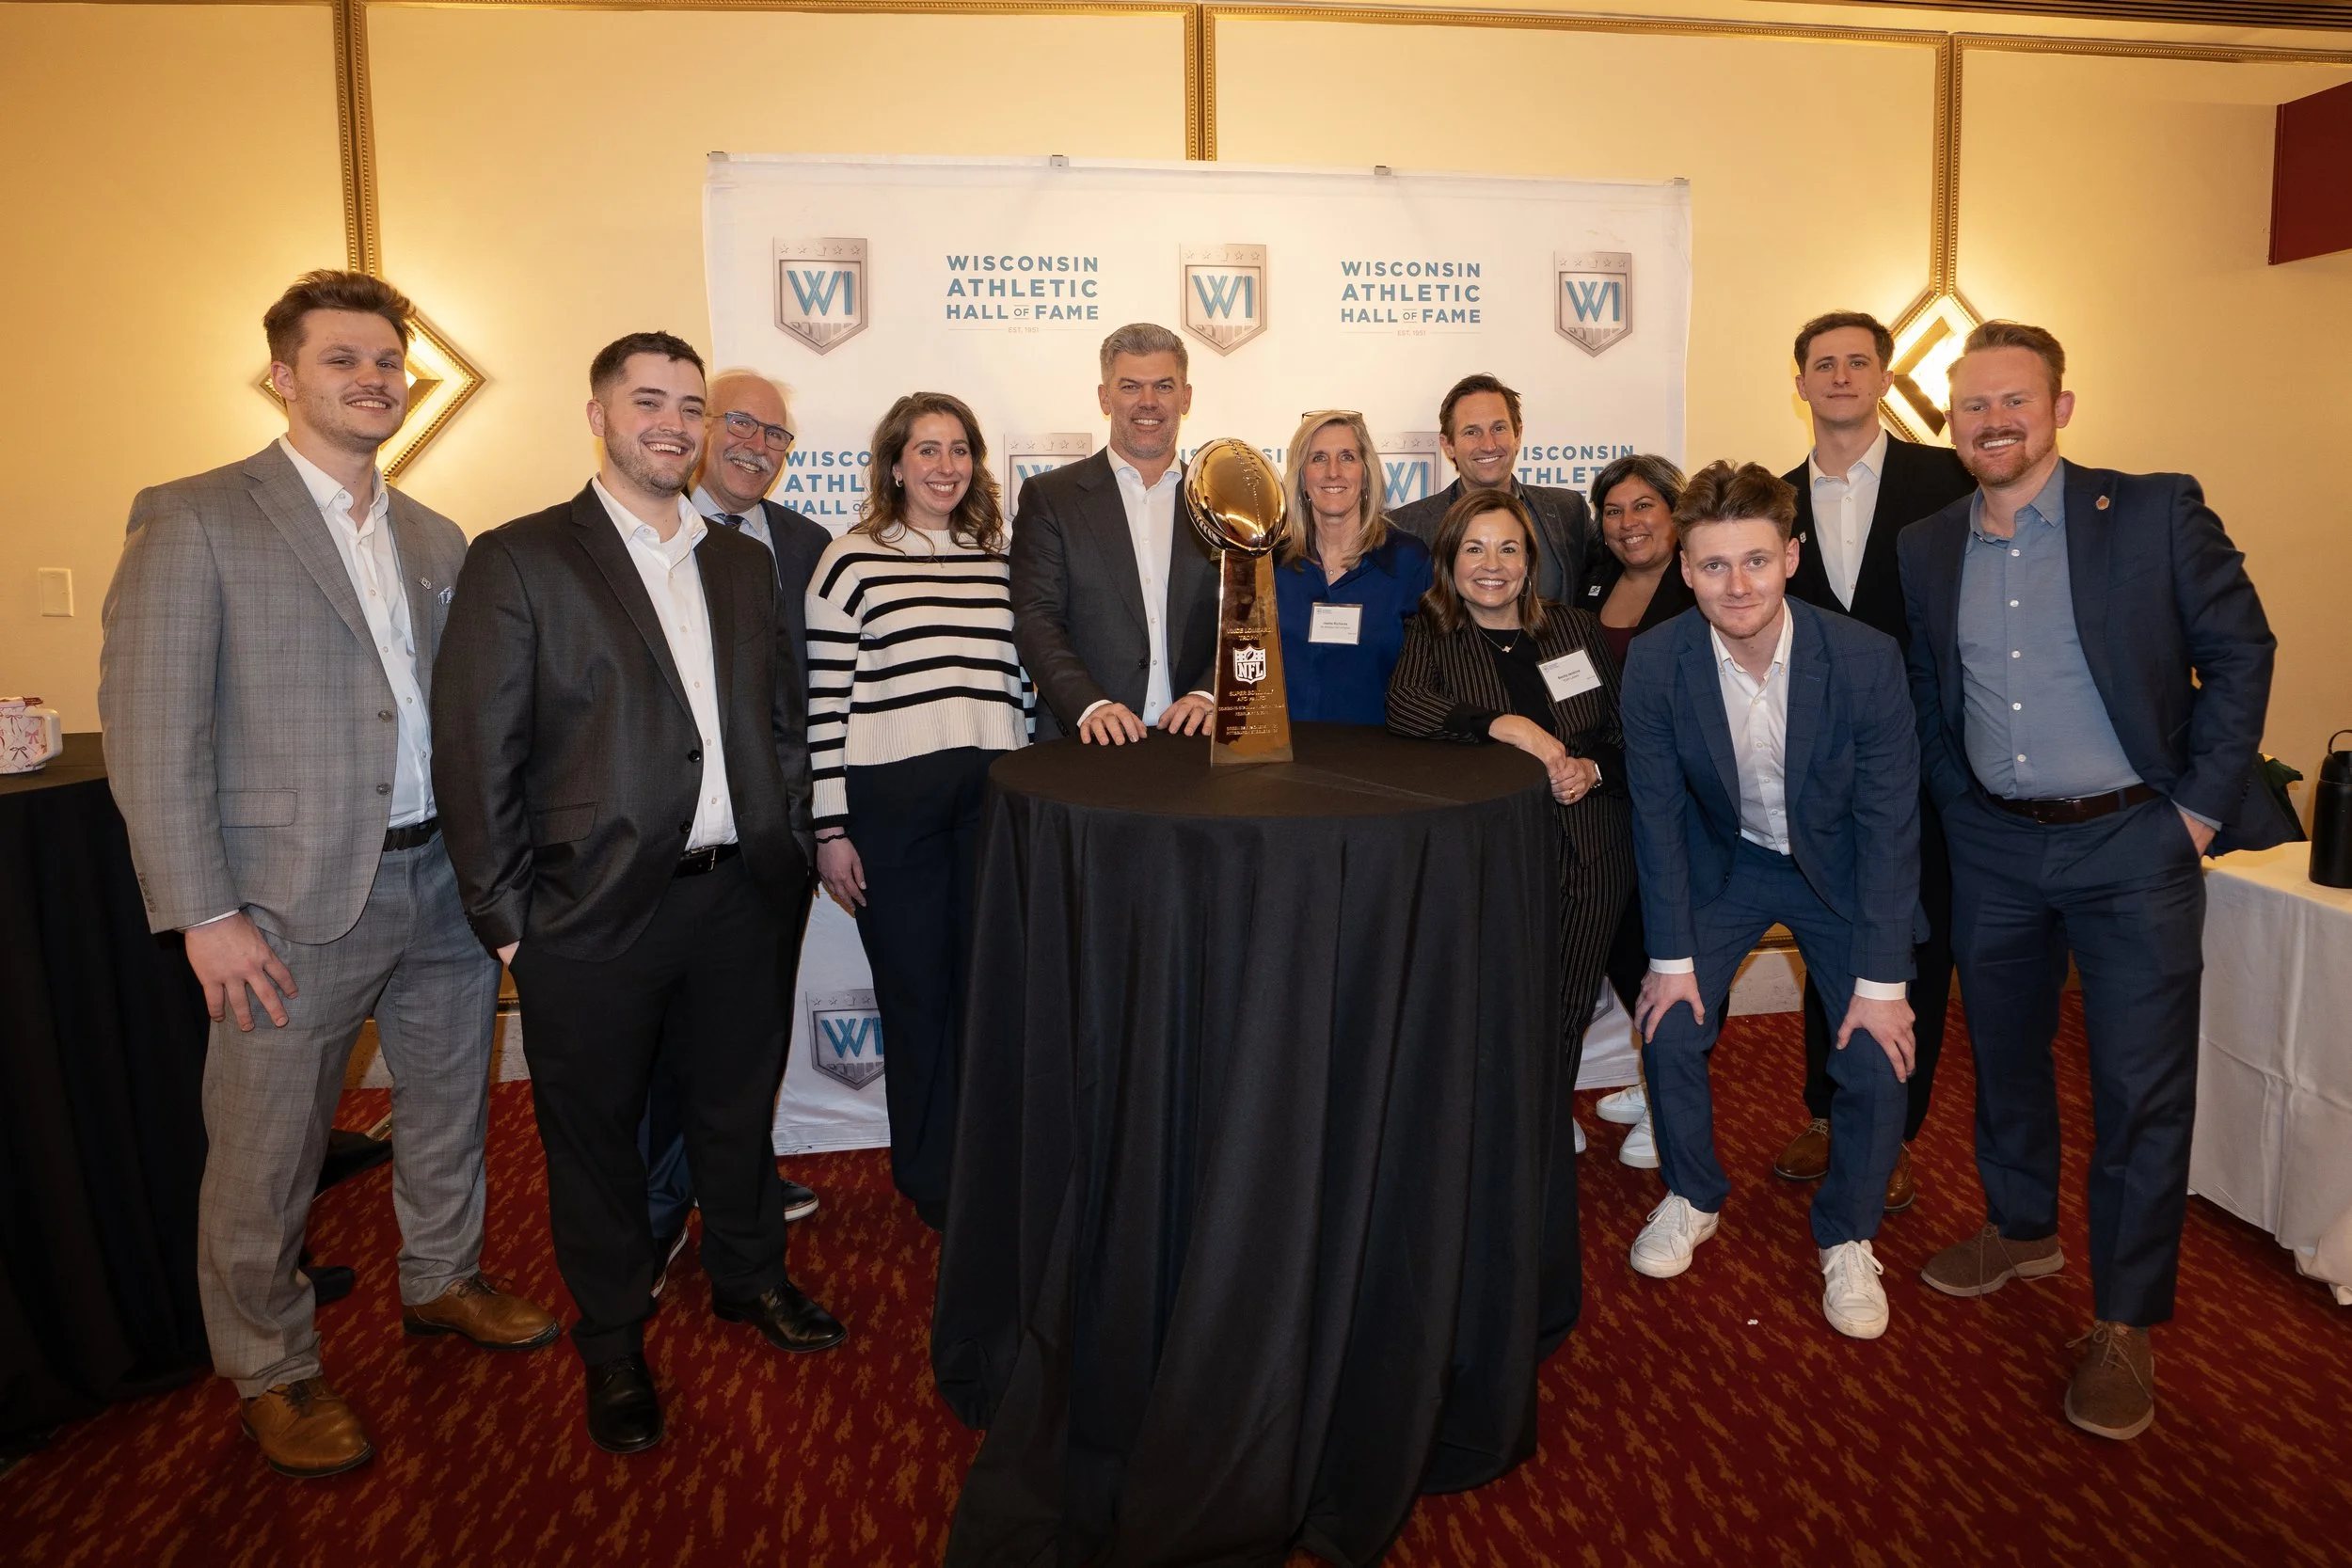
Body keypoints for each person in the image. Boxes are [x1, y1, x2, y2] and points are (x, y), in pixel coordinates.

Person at [98, 270, 558, 1480]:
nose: (371, 379)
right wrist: (203, 912)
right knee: (266, 1151)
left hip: (440, 888)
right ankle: (270, 1364)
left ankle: (442, 1278)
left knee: (451, 1109)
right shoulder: (196, 514)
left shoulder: (434, 536)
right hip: (282, 908)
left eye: (386, 362)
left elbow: (471, 723)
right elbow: (151, 729)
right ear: (282, 375)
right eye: (343, 359)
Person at [433, 331, 845, 1457]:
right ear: (598, 414)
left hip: (740, 900)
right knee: (597, 1142)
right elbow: (474, 753)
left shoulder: (741, 561)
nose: (673, 420)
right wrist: (509, 925)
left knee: (732, 1109)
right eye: (648, 400)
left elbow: (778, 724)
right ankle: (613, 1338)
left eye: (690, 404)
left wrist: (788, 846)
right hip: (587, 917)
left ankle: (747, 1276)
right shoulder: (520, 558)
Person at [1900, 322, 2283, 1439]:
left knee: (2137, 1086)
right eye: (1972, 407)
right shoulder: (1927, 544)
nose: (1993, 422)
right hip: (1998, 847)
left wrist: (2198, 810)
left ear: (2060, 408)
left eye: (2014, 401)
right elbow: (1931, 687)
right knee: (2005, 1056)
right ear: (1951, 421)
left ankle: (2125, 1317)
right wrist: (1957, 796)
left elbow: (2242, 649)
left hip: (2135, 845)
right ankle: (2022, 1228)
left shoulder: (2153, 509)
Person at [1619, 460, 1920, 1341]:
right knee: (1668, 1021)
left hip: (1843, 870)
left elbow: (1892, 824)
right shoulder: (1658, 663)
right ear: (1684, 568)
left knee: (1874, 1048)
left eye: (1755, 560)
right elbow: (1659, 817)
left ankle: (1850, 1233)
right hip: (1730, 861)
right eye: (1714, 565)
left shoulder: (1864, 659)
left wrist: (1883, 981)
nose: (1737, 584)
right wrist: (1671, 964)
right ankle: (1693, 1192)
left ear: (1791, 556)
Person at [1387, 486, 1632, 1352]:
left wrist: (1590, 772)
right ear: (1451, 561)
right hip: (1488, 867)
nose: (1493, 565)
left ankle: (1528, 1190)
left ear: (1532, 559)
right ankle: (1487, 1170)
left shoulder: (1571, 630)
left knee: (1559, 1017)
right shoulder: (1431, 632)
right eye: (1475, 550)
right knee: (1489, 1020)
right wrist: (1509, 725)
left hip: (1586, 851)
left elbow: (1617, 731)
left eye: (1509, 549)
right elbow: (1408, 710)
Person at [1771, 311, 1979, 1213]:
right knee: (1828, 937)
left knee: (1913, 945)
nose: (1843, 376)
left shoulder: (1952, 479)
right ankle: (1828, 1105)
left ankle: (1888, 1126)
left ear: (1885, 378)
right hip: (1816, 760)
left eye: (1860, 361)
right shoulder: (1773, 499)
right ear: (1802, 383)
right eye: (1826, 364)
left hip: (1931, 754)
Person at [808, 393, 1032, 1230]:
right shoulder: (850, 561)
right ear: (894, 464)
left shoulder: (998, 560)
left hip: (993, 799)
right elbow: (823, 703)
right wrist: (829, 829)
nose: (945, 466)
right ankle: (931, 1179)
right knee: (915, 994)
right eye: (926, 450)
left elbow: (1022, 687)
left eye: (960, 450)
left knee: (987, 989)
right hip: (889, 805)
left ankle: (987, 1166)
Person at [633, 371, 828, 1299]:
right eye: (740, 423)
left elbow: (812, 698)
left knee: (748, 1042)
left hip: (771, 844)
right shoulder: (647, 532)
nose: (756, 445)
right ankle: (662, 1206)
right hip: (667, 847)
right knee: (669, 1047)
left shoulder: (806, 543)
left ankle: (736, 1181)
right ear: (700, 427)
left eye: (777, 435)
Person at [1009, 323, 1216, 743]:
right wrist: (1091, 705)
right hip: (1086, 744)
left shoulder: (1221, 499)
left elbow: (1248, 618)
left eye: (1163, 386)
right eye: (1129, 387)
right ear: (1105, 397)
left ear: (1186, 397)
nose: (1148, 402)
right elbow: (1037, 619)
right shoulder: (1051, 497)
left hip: (1199, 741)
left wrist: (1210, 691)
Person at [1574, 453, 1694, 1168]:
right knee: (1620, 946)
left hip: (1670, 799)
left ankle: (1669, 1102)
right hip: (1605, 790)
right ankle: (1652, 1080)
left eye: (1644, 506)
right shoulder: (1598, 580)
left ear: (1674, 513)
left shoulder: (1695, 581)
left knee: (1663, 954)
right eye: (1615, 511)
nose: (1628, 523)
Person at [1273, 409, 1432, 723]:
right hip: (1286, 757)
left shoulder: (1408, 561)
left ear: (1366, 473)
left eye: (1347, 457)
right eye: (1318, 458)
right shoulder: (1270, 564)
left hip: (1376, 760)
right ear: (1302, 478)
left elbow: (1431, 676)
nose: (1333, 472)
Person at [1387, 372, 1593, 607]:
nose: (1488, 445)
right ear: (1448, 445)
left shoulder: (1568, 510)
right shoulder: (1406, 527)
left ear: (1518, 435)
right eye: (1471, 432)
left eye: (1499, 428)